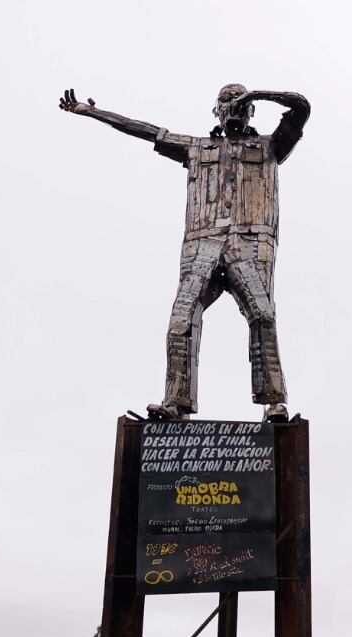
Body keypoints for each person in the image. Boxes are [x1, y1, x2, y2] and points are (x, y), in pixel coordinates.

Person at [59, 84, 311, 422]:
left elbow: (301, 107)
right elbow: (145, 130)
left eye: (240, 102)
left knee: (262, 314)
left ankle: (274, 402)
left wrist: (258, 94)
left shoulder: (270, 147)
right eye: (226, 101)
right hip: (202, 242)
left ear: (251, 110)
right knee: (181, 318)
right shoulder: (196, 147)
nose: (234, 107)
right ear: (216, 111)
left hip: (250, 241)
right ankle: (175, 402)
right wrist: (93, 113)